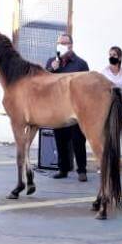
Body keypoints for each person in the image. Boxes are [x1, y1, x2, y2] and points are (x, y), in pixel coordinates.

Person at [47, 33, 90, 181]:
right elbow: (44, 83)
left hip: (75, 109)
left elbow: (87, 87)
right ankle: (63, 169)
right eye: (59, 43)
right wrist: (52, 69)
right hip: (58, 108)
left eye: (65, 43)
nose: (61, 45)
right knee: (60, 139)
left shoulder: (81, 64)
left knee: (78, 139)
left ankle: (82, 170)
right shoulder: (51, 62)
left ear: (71, 45)